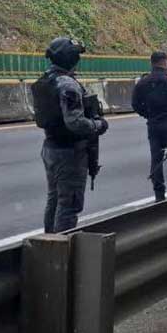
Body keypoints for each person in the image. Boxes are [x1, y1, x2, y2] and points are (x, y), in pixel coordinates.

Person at [31, 36, 109, 233]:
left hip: (50, 147)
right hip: (69, 152)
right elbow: (75, 122)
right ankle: (61, 250)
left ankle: (48, 243)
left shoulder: (45, 80)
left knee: (55, 199)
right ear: (71, 59)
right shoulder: (68, 85)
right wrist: (98, 125)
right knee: (69, 204)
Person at [132, 51, 167, 201]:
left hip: (154, 124)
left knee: (156, 159)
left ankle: (159, 195)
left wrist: (147, 115)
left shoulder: (143, 82)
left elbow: (135, 104)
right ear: (165, 62)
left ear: (151, 63)